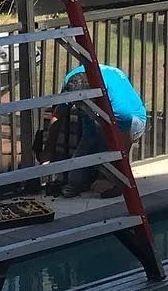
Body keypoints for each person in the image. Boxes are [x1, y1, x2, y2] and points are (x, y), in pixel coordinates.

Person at [38, 62, 146, 197]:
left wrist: (117, 179)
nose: (79, 107)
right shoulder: (70, 83)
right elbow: (58, 115)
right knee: (75, 180)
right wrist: (48, 151)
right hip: (94, 128)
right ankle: (94, 172)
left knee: (104, 144)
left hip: (132, 122)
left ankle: (106, 173)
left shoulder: (115, 98)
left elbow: (125, 133)